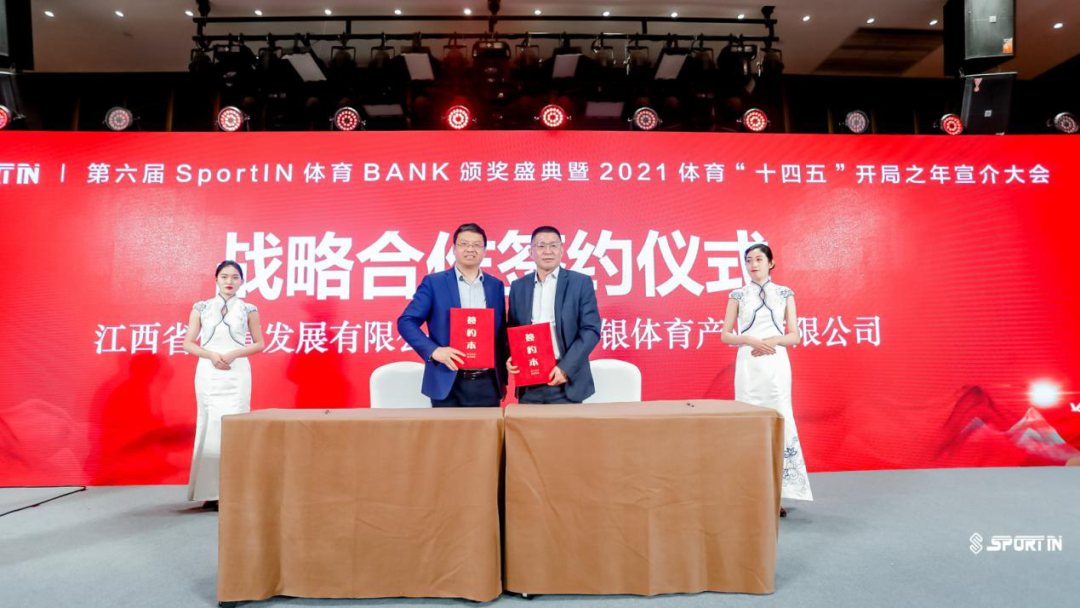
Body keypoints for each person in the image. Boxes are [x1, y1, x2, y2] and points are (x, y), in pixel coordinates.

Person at [721, 244, 813, 514]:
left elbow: (794, 336)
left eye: (759, 259)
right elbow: (726, 335)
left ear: (771, 263)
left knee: (779, 422)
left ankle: (777, 494)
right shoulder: (737, 295)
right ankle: (748, 492)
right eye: (749, 260)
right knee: (747, 424)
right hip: (748, 365)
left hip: (775, 364)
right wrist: (748, 340)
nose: (753, 265)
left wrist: (773, 341)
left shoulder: (785, 293)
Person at [183, 260, 265, 510]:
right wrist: (210, 355)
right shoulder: (201, 308)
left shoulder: (249, 309)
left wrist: (235, 354)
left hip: (236, 373)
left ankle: (233, 491)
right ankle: (209, 491)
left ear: (242, 281)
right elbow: (189, 343)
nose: (230, 281)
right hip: (209, 372)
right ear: (216, 279)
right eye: (225, 277)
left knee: (235, 427)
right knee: (209, 425)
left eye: (235, 277)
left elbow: (259, 343)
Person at [398, 223, 509, 407]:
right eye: (464, 244)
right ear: (453, 249)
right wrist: (434, 351)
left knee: (488, 428)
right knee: (446, 428)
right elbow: (406, 321)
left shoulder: (495, 285)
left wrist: (502, 379)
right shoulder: (434, 282)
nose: (470, 249)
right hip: (447, 380)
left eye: (476, 245)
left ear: (484, 251)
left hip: (487, 383)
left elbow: (500, 332)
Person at [506, 226, 602, 404]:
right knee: (527, 423)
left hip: (566, 380)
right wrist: (512, 355)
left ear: (562, 250)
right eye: (541, 246)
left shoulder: (580, 283)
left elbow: (591, 330)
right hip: (529, 380)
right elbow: (512, 328)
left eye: (553, 245)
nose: (548, 251)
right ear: (531, 252)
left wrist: (566, 368)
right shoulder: (518, 287)